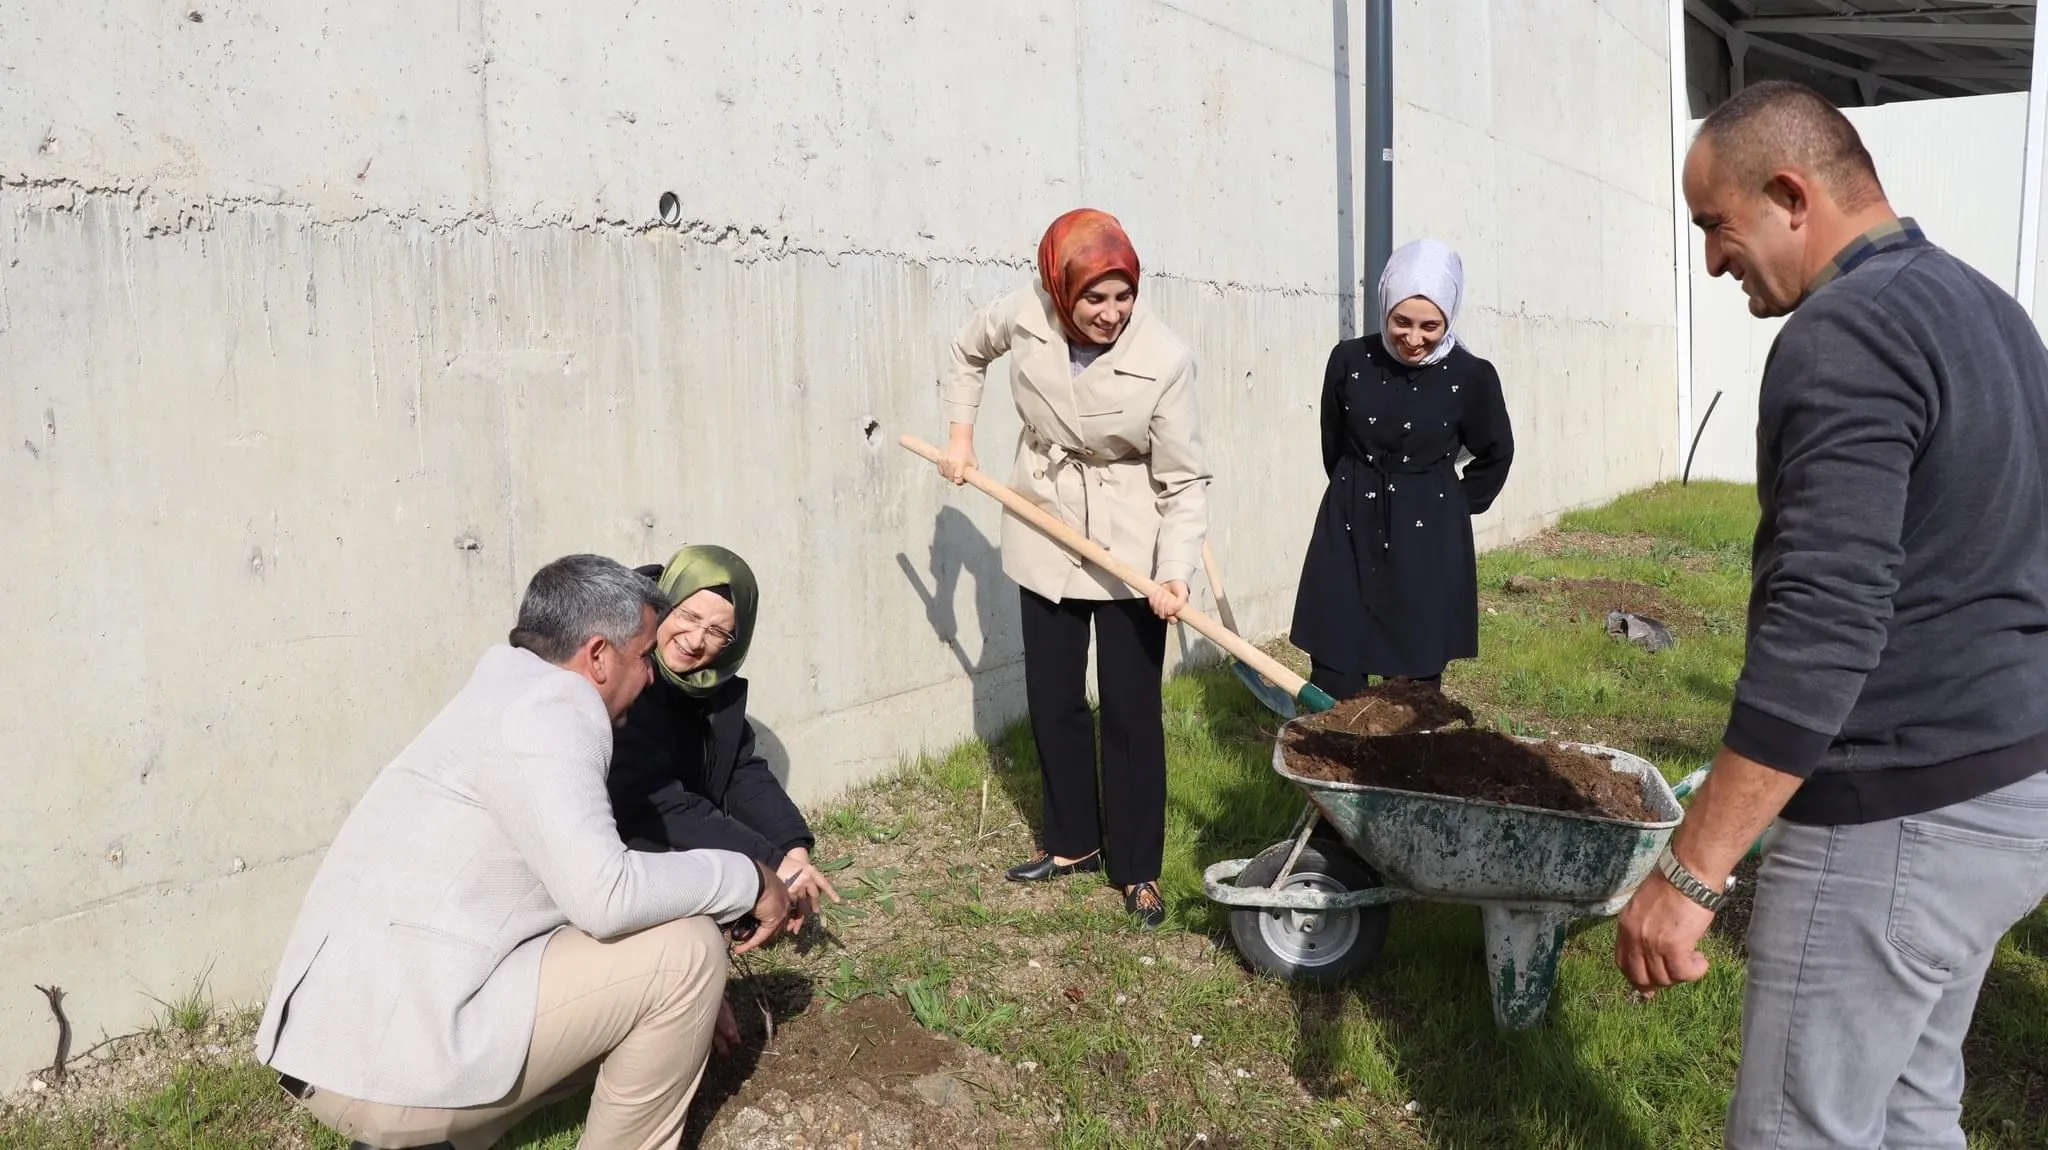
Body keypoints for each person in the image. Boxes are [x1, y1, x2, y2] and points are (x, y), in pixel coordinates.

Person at [1615, 80, 2048, 1149]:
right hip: (2007, 792)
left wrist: (1688, 871)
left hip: (1892, 816)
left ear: (1788, 193)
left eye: (1715, 224)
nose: (1711, 259)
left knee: (1797, 1131)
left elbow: (1822, 623)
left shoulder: (1843, 332)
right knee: (1907, 1106)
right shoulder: (1989, 310)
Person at [256, 555, 792, 1150]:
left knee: (660, 975)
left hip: (334, 1045)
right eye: (644, 657)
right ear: (596, 656)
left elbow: (573, 882)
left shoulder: (503, 689)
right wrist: (748, 878)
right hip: (381, 1071)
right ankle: (420, 1127)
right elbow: (607, 899)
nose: (650, 677)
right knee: (687, 952)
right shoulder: (556, 712)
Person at [934, 207, 1209, 929]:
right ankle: (1073, 843)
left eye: (1123, 296)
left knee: (1129, 710)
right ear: (1061, 289)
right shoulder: (1025, 311)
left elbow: (1183, 483)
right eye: (1094, 298)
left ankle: (1138, 867)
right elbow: (968, 350)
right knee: (1053, 697)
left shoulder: (1166, 358)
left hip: (1127, 546)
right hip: (1044, 524)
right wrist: (961, 437)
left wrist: (1174, 572)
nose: (1111, 313)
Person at [609, 544, 843, 1055]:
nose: (695, 642)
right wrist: (769, 864)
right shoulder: (625, 671)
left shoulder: (709, 686)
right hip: (613, 851)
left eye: (719, 632)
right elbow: (659, 803)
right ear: (662, 605)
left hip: (661, 833)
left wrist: (791, 846)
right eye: (688, 616)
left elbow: (739, 768)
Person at [1288, 238, 1514, 699]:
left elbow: (1496, 452)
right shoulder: (1349, 360)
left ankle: (1401, 771)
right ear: (1385, 308)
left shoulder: (1472, 376)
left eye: (1430, 326)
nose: (1413, 339)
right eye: (1401, 322)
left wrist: (1448, 504)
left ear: (1450, 315)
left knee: (1410, 692)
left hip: (1427, 540)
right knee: (1335, 673)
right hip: (1347, 529)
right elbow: (1334, 443)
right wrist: (1357, 490)